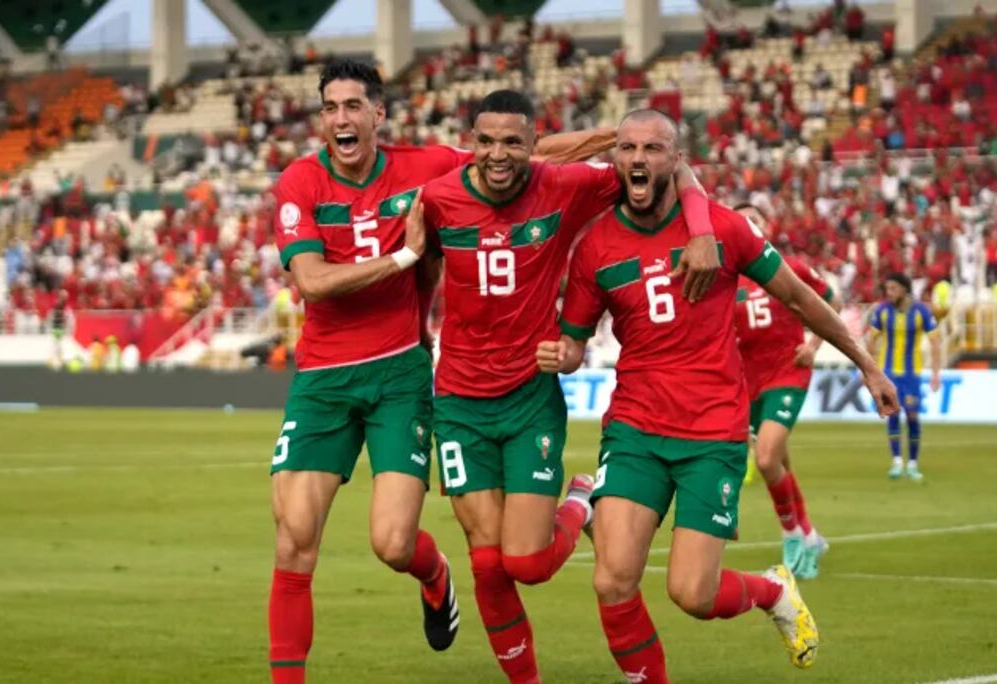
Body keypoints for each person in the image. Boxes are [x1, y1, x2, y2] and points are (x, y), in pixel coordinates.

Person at [268, 61, 615, 684]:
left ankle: (432, 573)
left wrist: (620, 137)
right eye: (331, 108)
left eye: (353, 106)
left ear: (378, 114)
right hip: (323, 377)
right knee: (294, 540)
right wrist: (403, 257)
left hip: (400, 374)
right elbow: (312, 282)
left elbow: (516, 158)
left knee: (393, 544)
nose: (341, 118)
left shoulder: (425, 166)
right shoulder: (300, 181)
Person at [539, 109, 898, 684]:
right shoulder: (595, 247)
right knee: (612, 580)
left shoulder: (724, 229)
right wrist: (562, 355)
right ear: (615, 160)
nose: (638, 158)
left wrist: (867, 364)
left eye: (653, 148)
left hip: (711, 433)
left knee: (693, 593)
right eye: (628, 148)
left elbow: (800, 297)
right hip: (635, 428)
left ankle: (772, 590)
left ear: (676, 160)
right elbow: (576, 342)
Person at [419, 92, 721, 684]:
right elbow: (414, 258)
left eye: (513, 142)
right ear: (471, 143)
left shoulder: (566, 185)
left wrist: (702, 227)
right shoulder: (438, 196)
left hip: (529, 397)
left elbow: (666, 166)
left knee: (528, 563)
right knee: (487, 563)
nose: (498, 154)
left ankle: (580, 498)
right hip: (457, 400)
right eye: (486, 141)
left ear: (534, 146)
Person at [733, 204, 839, 580]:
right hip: (747, 382)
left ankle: (792, 534)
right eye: (741, 219)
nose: (748, 224)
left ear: (765, 226)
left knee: (765, 460)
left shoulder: (787, 267)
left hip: (787, 372)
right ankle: (810, 534)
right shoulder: (724, 278)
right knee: (778, 463)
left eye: (754, 218)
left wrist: (813, 345)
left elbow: (831, 300)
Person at [866, 272, 942, 481]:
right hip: (888, 374)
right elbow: (871, 342)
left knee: (912, 416)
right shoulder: (882, 311)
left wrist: (936, 373)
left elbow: (935, 343)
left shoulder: (921, 311)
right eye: (887, 289)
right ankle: (897, 461)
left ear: (904, 289)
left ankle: (913, 463)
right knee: (892, 414)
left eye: (893, 288)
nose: (889, 293)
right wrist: (868, 371)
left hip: (911, 374)